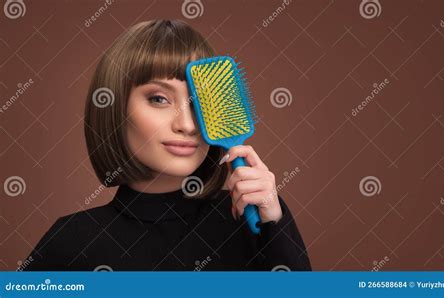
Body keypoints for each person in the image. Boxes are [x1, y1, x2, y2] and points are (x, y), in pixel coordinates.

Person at [24, 19, 311, 271]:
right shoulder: (72, 242)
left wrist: (275, 226)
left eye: (198, 101)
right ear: (114, 107)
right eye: (159, 99)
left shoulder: (254, 218)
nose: (186, 124)